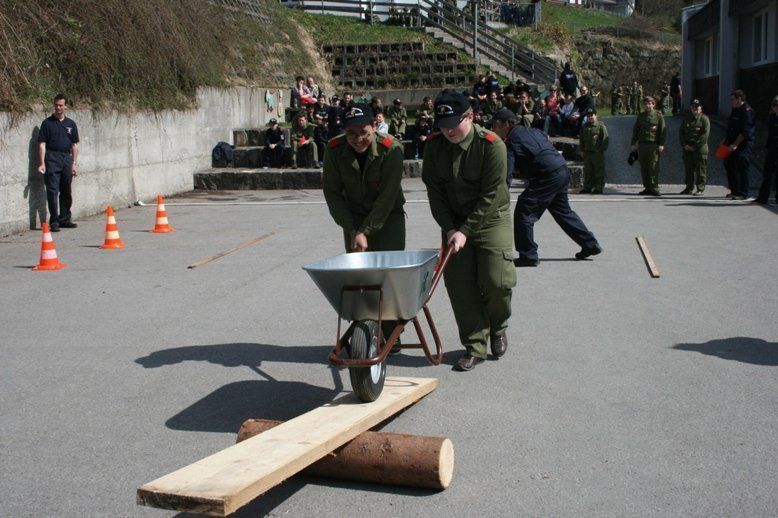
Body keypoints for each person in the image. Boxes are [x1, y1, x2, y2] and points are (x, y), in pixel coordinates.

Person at [421, 90, 515, 371]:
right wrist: (450, 228)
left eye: (454, 124)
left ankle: (498, 326)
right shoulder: (434, 147)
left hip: (491, 218)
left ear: (470, 116)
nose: (448, 131)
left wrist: (466, 230)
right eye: (443, 125)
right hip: (454, 222)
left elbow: (491, 195)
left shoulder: (492, 145)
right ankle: (475, 345)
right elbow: (435, 193)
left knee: (496, 280)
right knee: (460, 286)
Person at [323, 103, 406, 346]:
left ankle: (391, 336)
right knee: (360, 278)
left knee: (388, 276)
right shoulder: (334, 149)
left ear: (374, 126)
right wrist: (352, 229)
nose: (358, 139)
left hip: (388, 217)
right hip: (353, 218)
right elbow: (332, 194)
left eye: (363, 133)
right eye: (351, 133)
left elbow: (387, 198)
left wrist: (365, 231)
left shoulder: (392, 149)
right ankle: (366, 331)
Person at [490, 108, 601, 268]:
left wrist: (500, 194)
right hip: (561, 168)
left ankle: (528, 255)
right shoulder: (532, 131)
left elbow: (507, 171)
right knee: (563, 211)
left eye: (495, 125)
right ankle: (590, 244)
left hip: (546, 175)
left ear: (507, 124)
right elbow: (543, 144)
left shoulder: (511, 141)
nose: (493, 129)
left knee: (524, 211)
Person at [37, 94, 80, 231]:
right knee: (52, 190)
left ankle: (64, 219)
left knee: (66, 190)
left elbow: (75, 145)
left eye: (61, 105)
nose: (58, 107)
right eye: (56, 105)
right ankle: (54, 221)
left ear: (65, 106)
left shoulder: (71, 124)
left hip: (66, 158)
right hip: (52, 158)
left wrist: (74, 163)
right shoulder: (47, 123)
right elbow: (42, 144)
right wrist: (42, 162)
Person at [721, 89, 755, 200]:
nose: (731, 101)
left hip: (743, 144)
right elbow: (731, 127)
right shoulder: (735, 109)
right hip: (731, 143)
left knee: (741, 166)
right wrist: (725, 140)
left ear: (739, 98)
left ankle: (742, 192)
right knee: (729, 164)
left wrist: (735, 144)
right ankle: (734, 190)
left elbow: (745, 131)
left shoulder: (746, 111)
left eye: (732, 99)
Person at [630, 96, 666, 196]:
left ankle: (654, 187)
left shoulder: (658, 116)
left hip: (653, 145)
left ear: (653, 105)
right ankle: (647, 187)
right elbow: (636, 130)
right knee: (644, 167)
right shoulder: (641, 116)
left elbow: (662, 131)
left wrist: (661, 144)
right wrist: (633, 143)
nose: (647, 105)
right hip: (642, 145)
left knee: (653, 167)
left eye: (649, 103)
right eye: (645, 104)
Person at [678, 98, 709, 195]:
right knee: (689, 169)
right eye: (693, 106)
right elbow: (681, 133)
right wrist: (684, 145)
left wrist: (694, 147)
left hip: (700, 148)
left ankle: (700, 188)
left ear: (701, 108)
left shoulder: (704, 119)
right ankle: (689, 188)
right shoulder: (687, 119)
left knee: (700, 169)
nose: (695, 108)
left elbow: (705, 135)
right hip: (687, 147)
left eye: (697, 107)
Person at [579, 108, 609, 194]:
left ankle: (599, 188)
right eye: (588, 116)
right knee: (588, 171)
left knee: (598, 171)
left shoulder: (600, 126)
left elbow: (605, 140)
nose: (590, 117)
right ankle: (587, 187)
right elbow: (581, 139)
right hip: (587, 152)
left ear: (596, 115)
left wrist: (600, 149)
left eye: (592, 115)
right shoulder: (585, 126)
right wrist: (581, 150)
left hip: (597, 153)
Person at [755, 95, 778, 205]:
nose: (775, 107)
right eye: (774, 105)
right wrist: (766, 147)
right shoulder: (772, 117)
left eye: (776, 105)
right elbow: (769, 134)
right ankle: (762, 197)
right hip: (772, 149)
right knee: (767, 173)